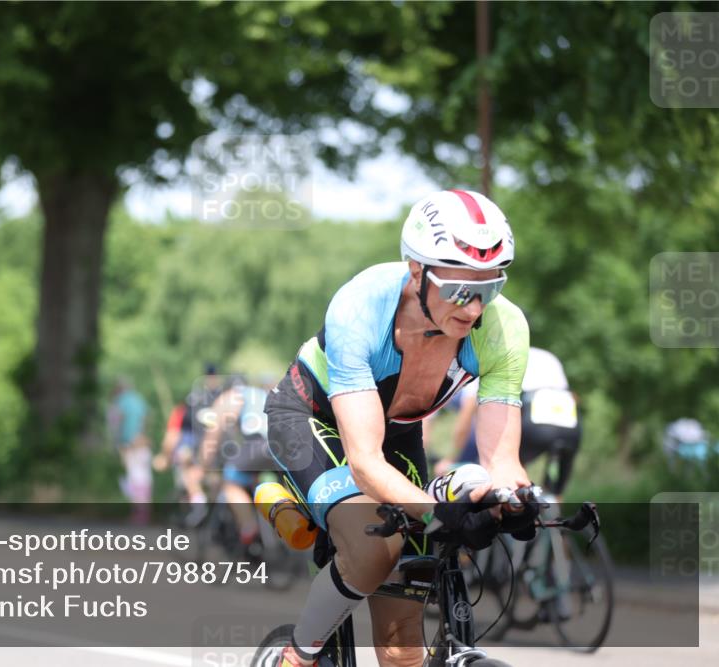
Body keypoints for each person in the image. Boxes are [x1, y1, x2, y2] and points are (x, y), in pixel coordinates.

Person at [257, 190, 535, 667]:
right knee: (373, 549)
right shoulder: (360, 307)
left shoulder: (504, 328)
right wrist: (433, 512)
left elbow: (502, 461)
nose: (473, 309)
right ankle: (296, 656)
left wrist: (513, 502)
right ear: (415, 271)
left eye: (489, 288)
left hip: (399, 432)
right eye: (458, 289)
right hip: (311, 419)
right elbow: (364, 459)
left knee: (402, 639)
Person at [434, 348, 581, 500]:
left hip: (534, 419)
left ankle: (511, 516)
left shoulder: (492, 357)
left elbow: (467, 415)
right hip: (571, 424)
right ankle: (554, 519)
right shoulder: (549, 357)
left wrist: (451, 459)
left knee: (504, 475)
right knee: (555, 492)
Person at [199, 375, 276, 547]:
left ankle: (249, 528)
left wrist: (204, 465)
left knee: (230, 483)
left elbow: (213, 433)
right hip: (283, 445)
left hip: (259, 445)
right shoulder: (261, 393)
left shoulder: (229, 397)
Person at [153, 364, 227, 525]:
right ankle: (217, 510)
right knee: (216, 480)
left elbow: (173, 434)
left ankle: (200, 506)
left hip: (203, 449)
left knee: (190, 476)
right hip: (223, 449)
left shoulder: (191, 403)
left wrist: (165, 456)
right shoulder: (225, 398)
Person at [108, 378, 152, 524]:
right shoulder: (139, 400)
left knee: (134, 479)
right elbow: (145, 420)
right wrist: (142, 436)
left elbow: (117, 422)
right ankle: (144, 513)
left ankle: (138, 513)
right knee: (144, 478)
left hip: (128, 445)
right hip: (142, 443)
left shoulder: (120, 402)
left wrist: (116, 443)